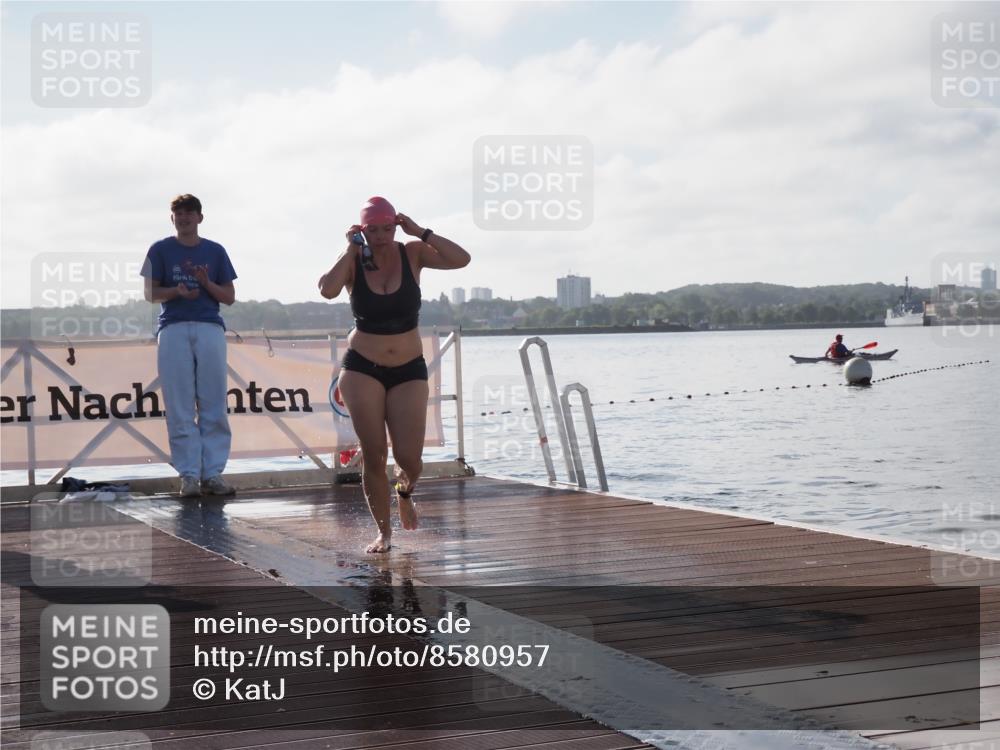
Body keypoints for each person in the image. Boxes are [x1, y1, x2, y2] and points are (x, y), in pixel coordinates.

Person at [319, 196, 470, 553]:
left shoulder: (413, 252)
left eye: (388, 228)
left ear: (396, 225)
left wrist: (420, 231)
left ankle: (404, 492)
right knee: (374, 454)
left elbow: (461, 259)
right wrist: (349, 249)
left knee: (410, 459)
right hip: (362, 368)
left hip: (408, 369)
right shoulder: (355, 260)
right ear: (362, 229)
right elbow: (327, 289)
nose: (382, 236)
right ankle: (384, 534)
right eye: (373, 230)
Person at [142, 194, 238, 498]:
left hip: (209, 326)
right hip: (173, 327)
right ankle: (189, 476)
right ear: (172, 218)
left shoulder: (215, 250)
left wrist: (206, 283)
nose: (183, 218)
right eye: (178, 213)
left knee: (213, 402)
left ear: (199, 217)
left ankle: (213, 474)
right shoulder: (159, 249)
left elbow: (229, 296)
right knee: (179, 405)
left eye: (189, 213)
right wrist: (177, 291)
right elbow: (150, 293)